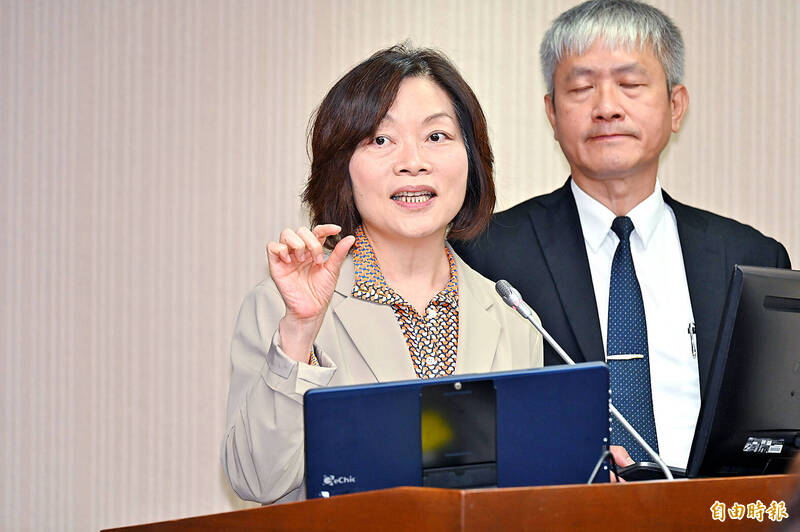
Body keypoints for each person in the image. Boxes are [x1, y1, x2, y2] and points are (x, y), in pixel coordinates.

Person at [452, 0, 791, 471]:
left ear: (676, 107)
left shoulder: (751, 257)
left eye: (630, 84)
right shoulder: (485, 253)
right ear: (551, 113)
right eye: (582, 87)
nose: (607, 107)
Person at [221, 44, 543, 505]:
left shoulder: (513, 317)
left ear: (471, 161)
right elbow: (257, 481)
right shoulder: (281, 308)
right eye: (380, 140)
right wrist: (299, 334)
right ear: (342, 169)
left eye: (436, 137)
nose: (413, 161)